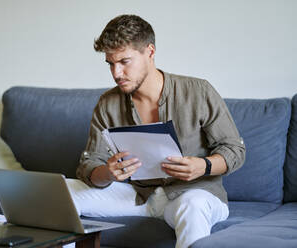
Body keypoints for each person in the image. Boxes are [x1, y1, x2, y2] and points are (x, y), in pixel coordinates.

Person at [68, 14, 245, 248]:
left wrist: (203, 166)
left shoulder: (197, 91)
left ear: (150, 52)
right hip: (137, 196)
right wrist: (108, 173)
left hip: (192, 194)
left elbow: (235, 150)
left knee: (192, 206)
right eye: (111, 63)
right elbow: (89, 166)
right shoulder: (108, 103)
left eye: (124, 62)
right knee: (61, 191)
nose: (116, 73)